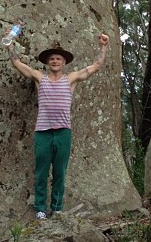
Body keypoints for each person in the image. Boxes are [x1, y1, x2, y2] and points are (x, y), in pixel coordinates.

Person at [6, 32, 109, 220]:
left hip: (63, 132)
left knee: (60, 172)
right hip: (43, 133)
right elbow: (18, 64)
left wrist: (103, 46)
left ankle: (57, 208)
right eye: (52, 59)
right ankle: (40, 209)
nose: (55, 61)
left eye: (58, 59)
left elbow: (95, 66)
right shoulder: (39, 77)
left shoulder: (70, 79)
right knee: (41, 172)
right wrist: (10, 45)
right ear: (47, 62)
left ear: (64, 63)